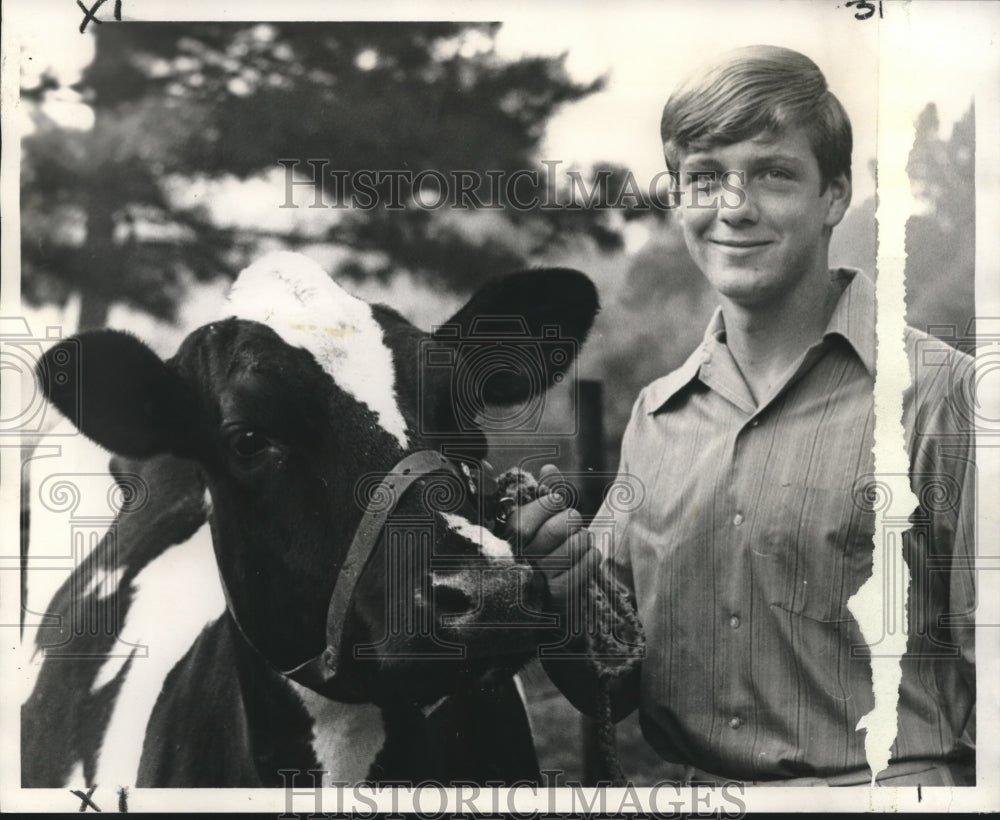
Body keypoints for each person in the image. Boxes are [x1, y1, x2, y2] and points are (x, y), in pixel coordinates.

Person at [513, 45, 976, 787]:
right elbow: (611, 683)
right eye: (704, 178)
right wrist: (562, 591)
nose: (733, 206)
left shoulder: (942, 399)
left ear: (834, 195)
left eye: (771, 172)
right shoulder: (657, 421)